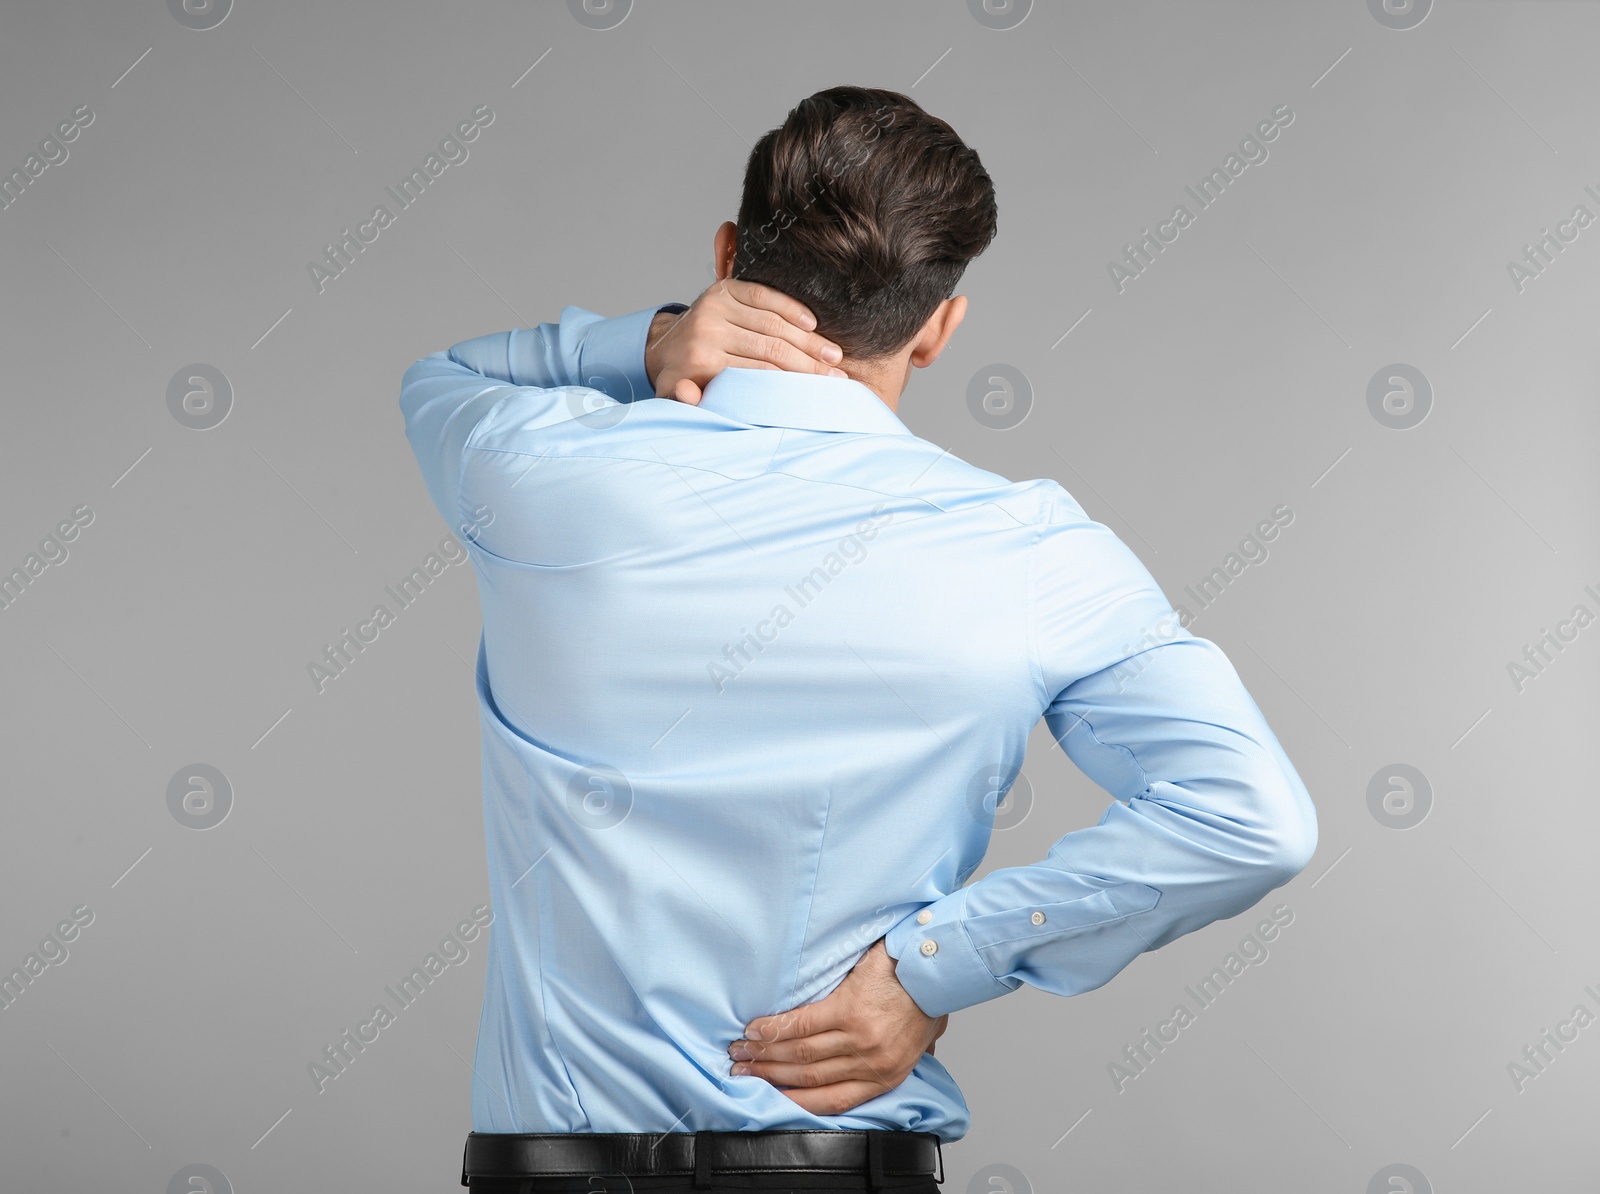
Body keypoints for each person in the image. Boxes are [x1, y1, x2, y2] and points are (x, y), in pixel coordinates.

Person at [398, 84, 1318, 1194]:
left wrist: (647, 344)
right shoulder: (1029, 549)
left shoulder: (536, 472)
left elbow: (442, 378)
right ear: (938, 328)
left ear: (730, 257)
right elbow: (1250, 817)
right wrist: (935, 969)